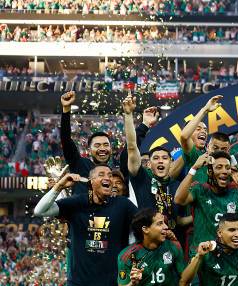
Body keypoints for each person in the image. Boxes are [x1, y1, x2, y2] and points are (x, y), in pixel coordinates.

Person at [59, 91, 157, 194]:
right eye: (97, 145)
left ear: (111, 149)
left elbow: (131, 146)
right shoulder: (81, 165)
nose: (102, 148)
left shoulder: (118, 171)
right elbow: (66, 140)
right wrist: (66, 110)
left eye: (106, 145)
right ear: (89, 150)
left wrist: (145, 124)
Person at [123, 95, 185, 230]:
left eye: (164, 158)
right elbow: (132, 147)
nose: (160, 161)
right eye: (156, 158)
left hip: (173, 245)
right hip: (147, 244)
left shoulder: (178, 186)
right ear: (149, 164)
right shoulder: (142, 180)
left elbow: (181, 220)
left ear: (171, 163)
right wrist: (128, 115)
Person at [169, 95, 223, 182]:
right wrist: (205, 110)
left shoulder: (210, 153)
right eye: (197, 129)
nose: (203, 132)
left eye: (205, 130)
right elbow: (170, 176)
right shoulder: (177, 153)